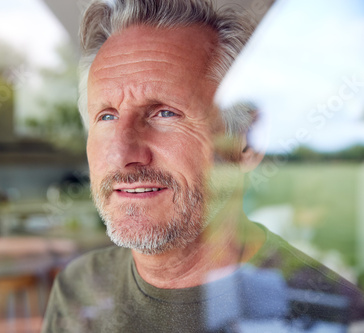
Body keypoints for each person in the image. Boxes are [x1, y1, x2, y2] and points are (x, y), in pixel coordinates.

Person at [42, 0, 364, 331]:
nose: (122, 153)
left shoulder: (327, 316)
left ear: (246, 143)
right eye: (107, 116)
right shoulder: (78, 289)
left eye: (164, 113)